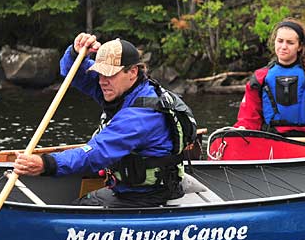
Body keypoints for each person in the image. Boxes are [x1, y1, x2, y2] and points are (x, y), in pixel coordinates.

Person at [13, 34, 197, 208]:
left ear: (132, 72)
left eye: (109, 74)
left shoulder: (141, 115)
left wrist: (47, 164)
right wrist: (75, 53)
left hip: (146, 195)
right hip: (130, 188)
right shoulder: (122, 89)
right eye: (100, 74)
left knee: (82, 207)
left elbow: (97, 153)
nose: (102, 81)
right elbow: (74, 73)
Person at [233, 18, 305, 143]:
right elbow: (248, 118)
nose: (283, 47)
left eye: (290, 43)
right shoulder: (260, 77)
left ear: (300, 46)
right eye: (280, 41)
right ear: (274, 42)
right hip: (271, 141)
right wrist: (243, 128)